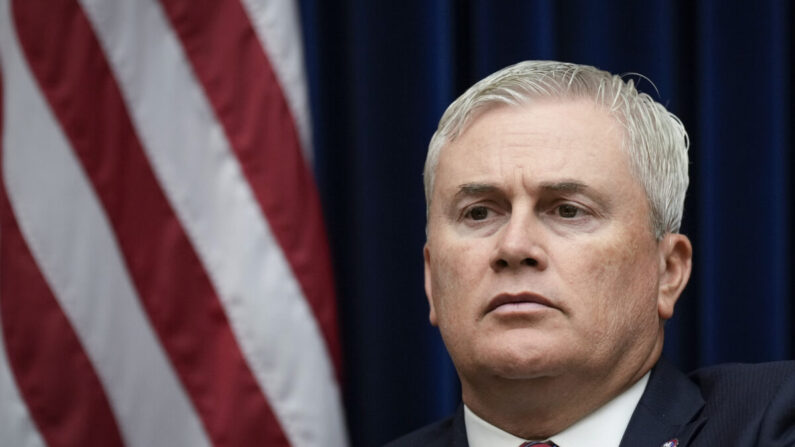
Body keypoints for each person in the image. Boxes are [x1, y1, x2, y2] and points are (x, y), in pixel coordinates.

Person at [385, 61, 795, 447]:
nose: (513, 247)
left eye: (568, 210)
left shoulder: (776, 422)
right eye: (478, 213)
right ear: (431, 278)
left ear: (667, 272)